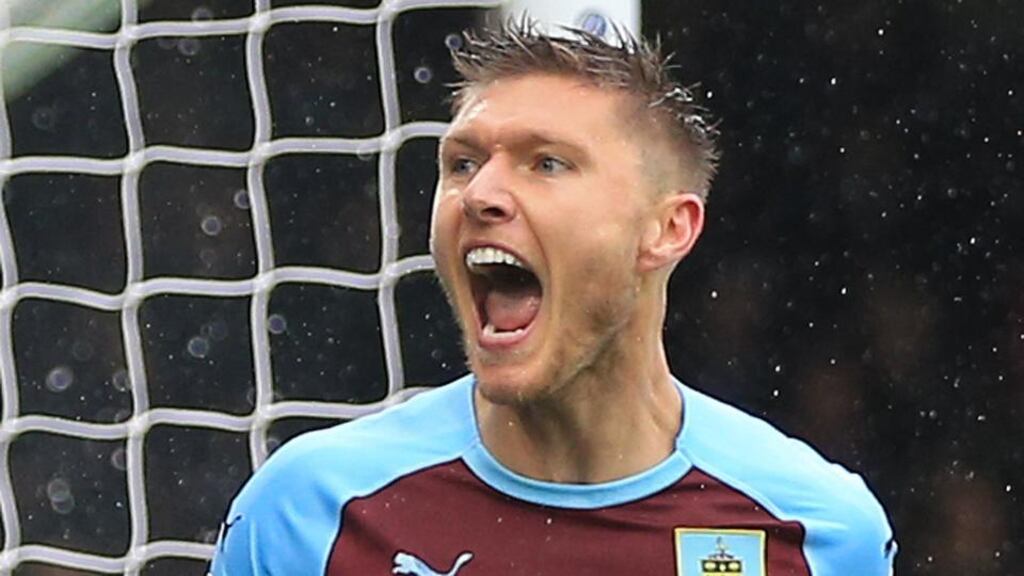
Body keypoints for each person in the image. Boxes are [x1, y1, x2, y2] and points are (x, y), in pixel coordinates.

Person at [210, 19, 897, 575]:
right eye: (463, 163)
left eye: (547, 163)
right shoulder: (312, 512)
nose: (479, 194)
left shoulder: (815, 532)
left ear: (668, 229)